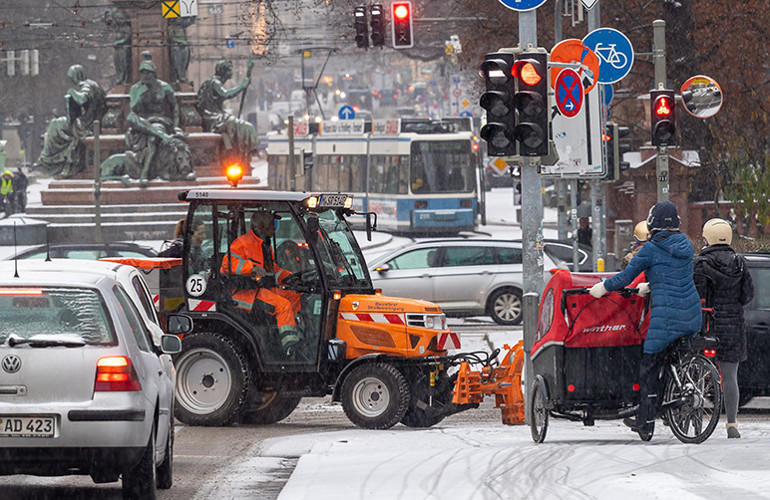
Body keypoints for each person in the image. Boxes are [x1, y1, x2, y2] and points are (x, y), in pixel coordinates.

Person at [589, 201, 702, 438]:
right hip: (691, 315)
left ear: (653, 223)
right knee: (669, 359)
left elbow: (625, 277)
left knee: (648, 367)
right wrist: (650, 286)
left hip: (667, 319)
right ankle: (674, 399)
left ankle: (645, 420)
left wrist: (602, 287)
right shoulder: (685, 245)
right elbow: (675, 275)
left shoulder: (650, 249)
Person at [693, 218, 754, 438]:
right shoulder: (739, 263)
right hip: (733, 329)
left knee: (698, 373)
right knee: (730, 377)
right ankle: (732, 424)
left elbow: (698, 296)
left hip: (708, 325)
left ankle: (697, 420)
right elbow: (748, 295)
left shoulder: (701, 264)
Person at [220, 211, 302, 357]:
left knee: (295, 294)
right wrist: (251, 267)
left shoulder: (265, 245)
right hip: (244, 293)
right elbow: (227, 264)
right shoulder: (243, 243)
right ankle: (290, 348)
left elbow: (273, 270)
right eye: (272, 223)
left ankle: (290, 331)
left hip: (261, 289)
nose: (275, 227)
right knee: (283, 305)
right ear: (261, 226)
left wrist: (290, 278)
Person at [36, 65, 106, 177]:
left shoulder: (86, 85)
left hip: (86, 124)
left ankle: (47, 159)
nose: (72, 80)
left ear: (77, 75)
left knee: (55, 124)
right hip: (92, 122)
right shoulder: (94, 84)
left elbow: (82, 98)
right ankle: (49, 158)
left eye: (72, 77)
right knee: (58, 123)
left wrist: (72, 92)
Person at [196, 59, 258, 164]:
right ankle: (243, 154)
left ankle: (243, 154)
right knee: (245, 127)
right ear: (224, 71)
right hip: (212, 118)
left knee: (243, 127)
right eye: (230, 70)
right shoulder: (215, 82)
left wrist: (248, 72)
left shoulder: (215, 82)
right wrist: (242, 86)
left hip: (217, 116)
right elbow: (226, 94)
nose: (232, 72)